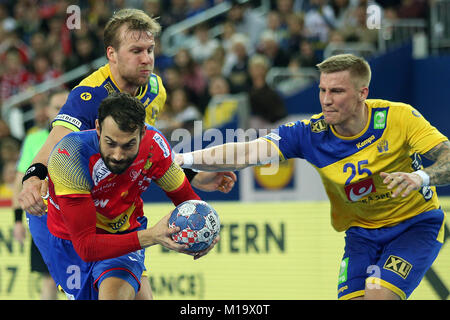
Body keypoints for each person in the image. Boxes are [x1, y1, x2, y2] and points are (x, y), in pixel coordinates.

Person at [175, 54, 450, 300]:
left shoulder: (398, 118)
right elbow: (247, 153)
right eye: (322, 90)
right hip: (361, 235)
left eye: (337, 91)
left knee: (378, 295)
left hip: (414, 225)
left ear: (362, 93)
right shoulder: (309, 133)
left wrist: (421, 177)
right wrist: (183, 160)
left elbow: (447, 158)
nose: (326, 100)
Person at [19, 8, 235, 217]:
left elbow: (147, 150)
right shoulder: (90, 95)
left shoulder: (155, 89)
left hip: (116, 204)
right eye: (136, 51)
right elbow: (54, 143)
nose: (147, 59)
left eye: (149, 49)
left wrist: (192, 175)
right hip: (74, 206)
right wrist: (32, 178)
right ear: (111, 54)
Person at [43, 92, 211, 300]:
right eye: (110, 143)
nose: (118, 155)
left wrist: (208, 228)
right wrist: (152, 236)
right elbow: (86, 246)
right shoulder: (69, 156)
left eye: (128, 145)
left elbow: (187, 199)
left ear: (142, 133)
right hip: (71, 242)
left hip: (122, 231)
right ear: (97, 127)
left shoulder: (154, 145)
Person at [12, 89, 68, 300]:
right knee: (49, 278)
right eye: (57, 108)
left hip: (79, 215)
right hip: (43, 217)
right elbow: (20, 181)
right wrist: (17, 220)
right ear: (47, 111)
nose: (63, 112)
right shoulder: (34, 138)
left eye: (67, 107)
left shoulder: (86, 135)